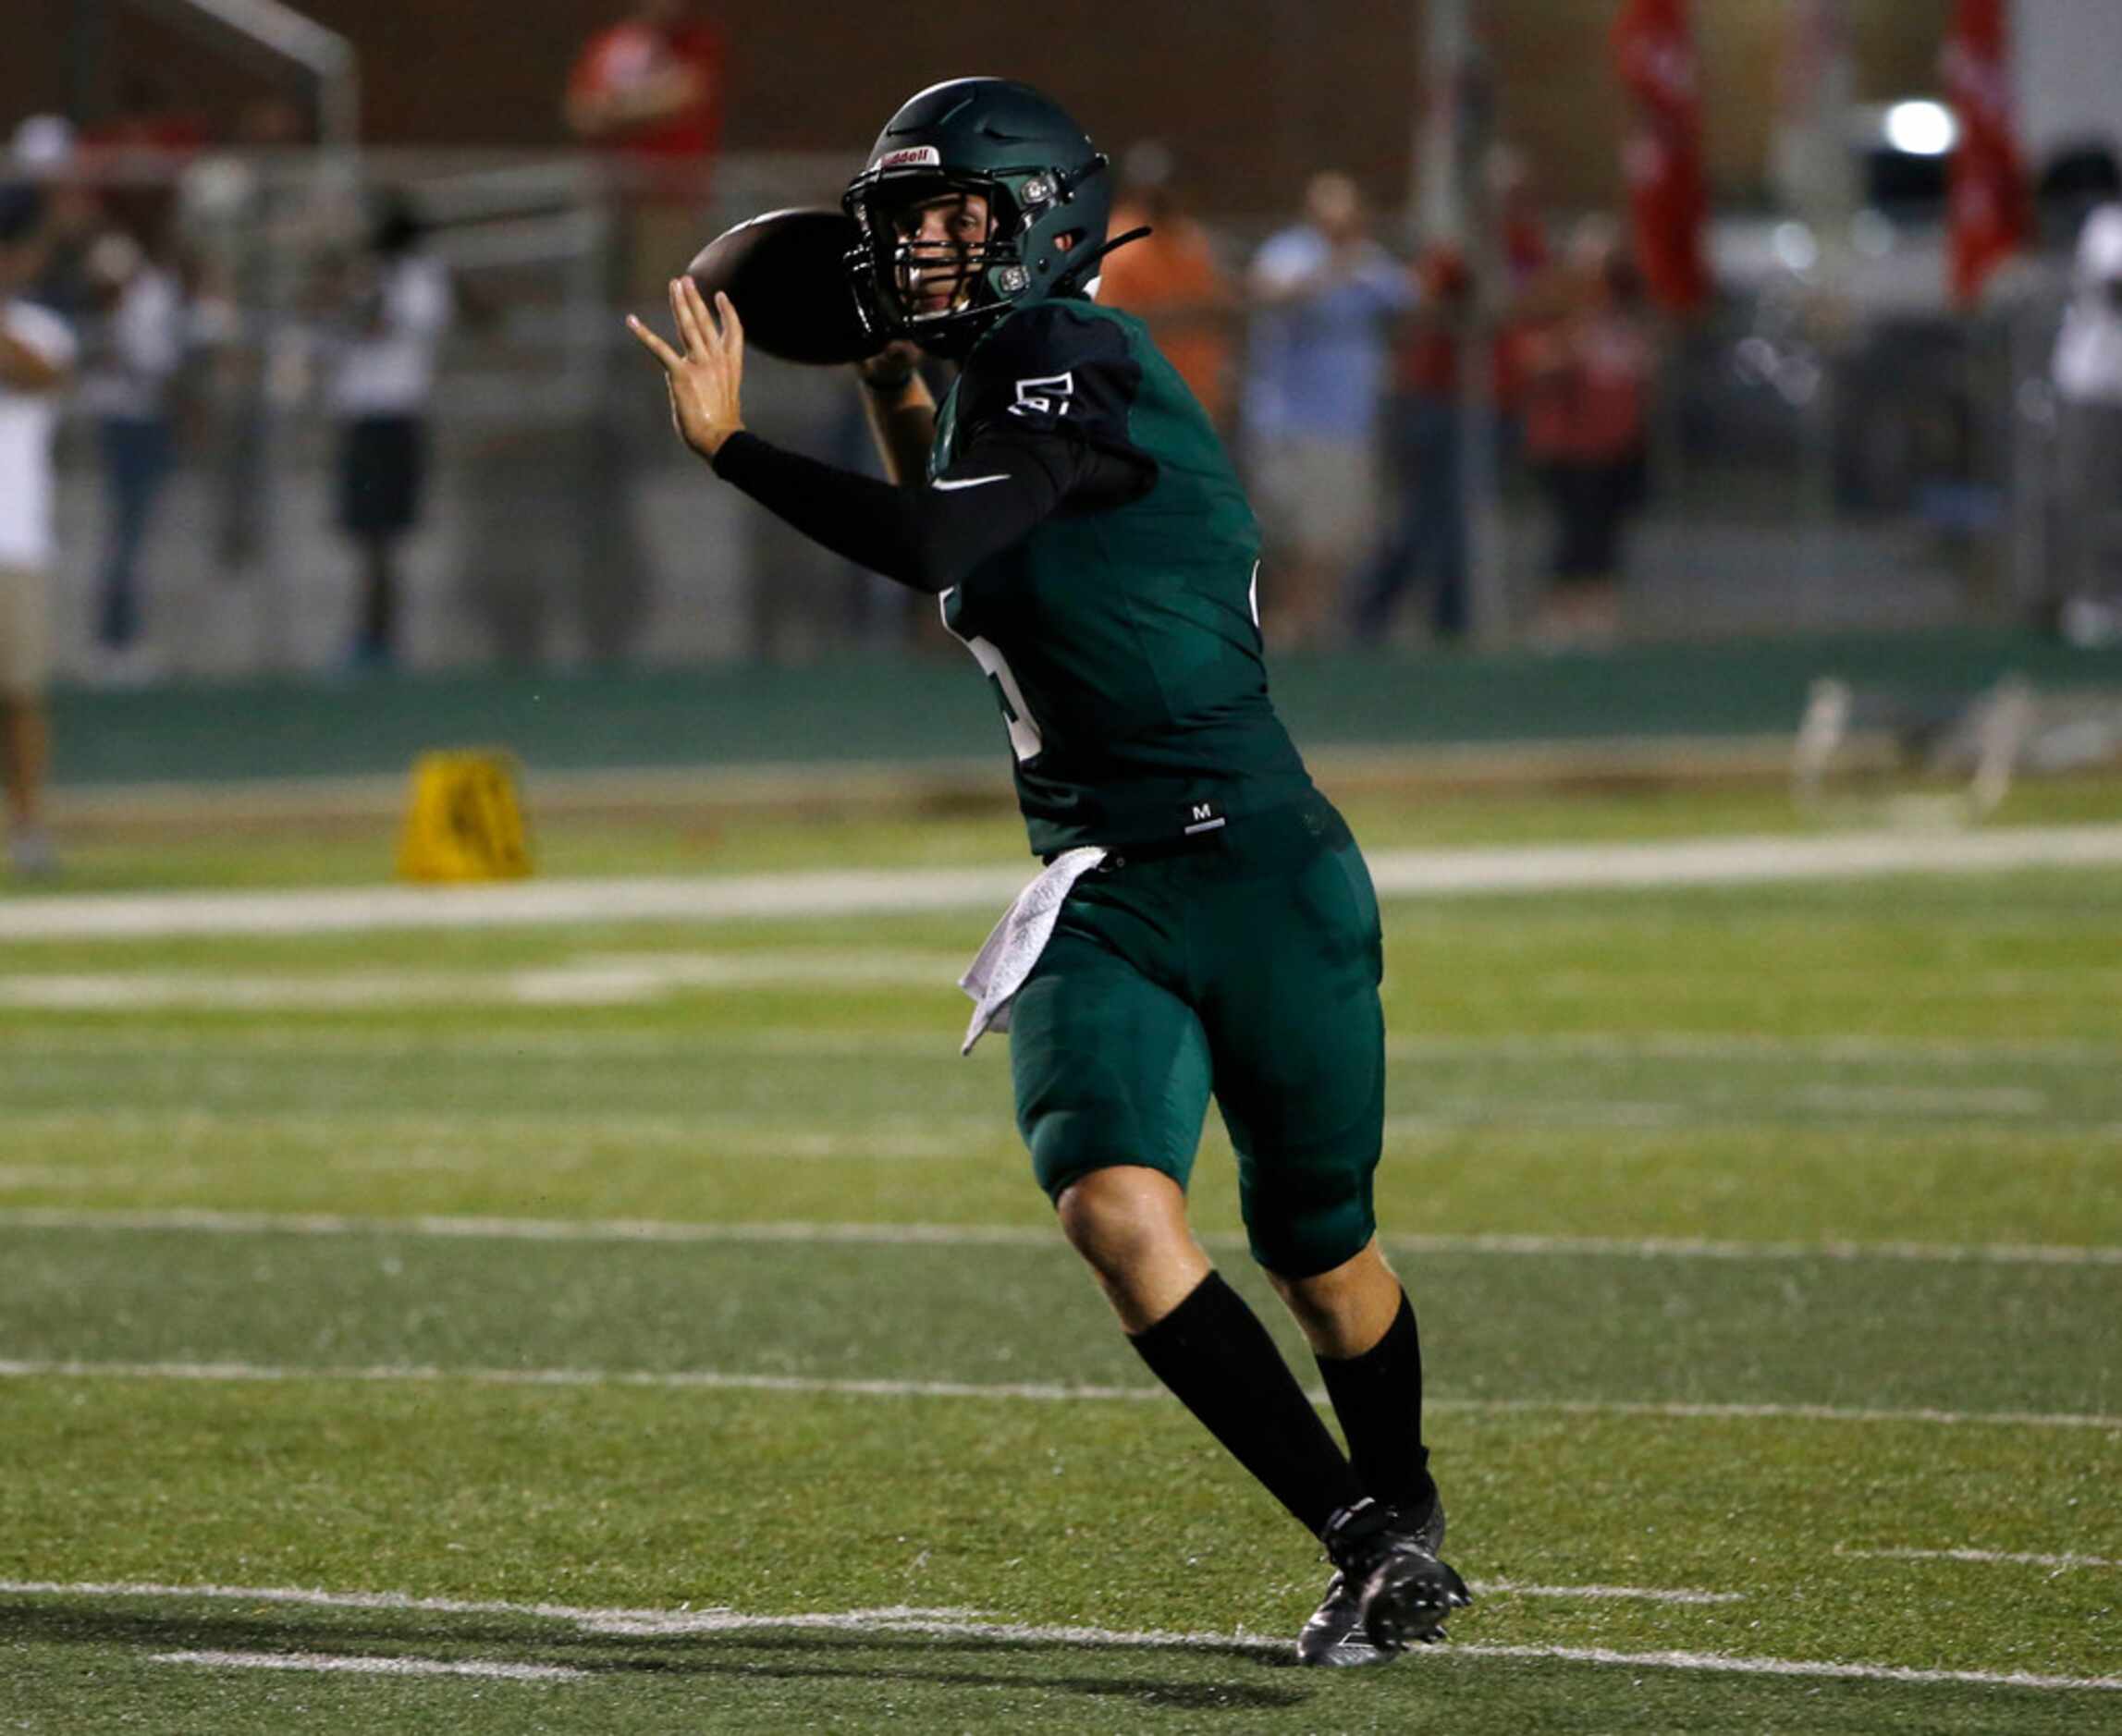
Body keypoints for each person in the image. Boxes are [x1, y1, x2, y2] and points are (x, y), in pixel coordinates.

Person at [628, 77, 1469, 1665]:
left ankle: (1405, 1501)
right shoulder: (991, 383)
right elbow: (967, 517)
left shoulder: (1067, 349)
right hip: (1106, 880)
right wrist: (887, 376)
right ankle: (1359, 1534)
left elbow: (945, 545)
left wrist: (735, 448)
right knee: (1113, 1207)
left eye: (951, 218)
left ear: (1046, 222)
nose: (919, 250)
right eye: (902, 223)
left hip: (1264, 863)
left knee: (1324, 1253)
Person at [1241, 173, 1414, 650]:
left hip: (1346, 422)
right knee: (1285, 530)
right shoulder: (1289, 252)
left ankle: (1312, 624)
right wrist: (1333, 269)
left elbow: (1411, 299)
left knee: (1334, 534)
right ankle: (1285, 622)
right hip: (1286, 418)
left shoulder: (1372, 261)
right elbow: (1266, 292)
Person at [322, 197, 452, 670]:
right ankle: (372, 634)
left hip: (393, 414)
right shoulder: (373, 274)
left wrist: (362, 284)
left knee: (384, 534)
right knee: (366, 535)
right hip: (362, 414)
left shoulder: (419, 278)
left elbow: (378, 323)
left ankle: (380, 638)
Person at [1521, 219, 1653, 650]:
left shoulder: (1626, 318)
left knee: (1606, 531)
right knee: (1574, 530)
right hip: (1569, 444)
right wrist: (1573, 338)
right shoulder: (1555, 312)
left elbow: (1640, 367)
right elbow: (1535, 363)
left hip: (1616, 442)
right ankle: (1561, 613)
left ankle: (1599, 614)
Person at [0, 189, 78, 876]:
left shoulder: (41, 329)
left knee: (20, 692)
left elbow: (37, 375)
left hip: (12, 538)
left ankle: (27, 829)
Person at [78, 227, 186, 680]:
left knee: (134, 533)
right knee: (125, 533)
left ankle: (123, 637)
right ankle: (112, 641)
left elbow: (157, 365)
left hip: (145, 422)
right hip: (122, 425)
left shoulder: (154, 295)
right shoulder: (109, 309)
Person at [1098, 141, 1239, 429]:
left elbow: (1220, 307)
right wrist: (1187, 315)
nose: (1165, 195)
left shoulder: (1190, 237)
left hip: (1196, 397)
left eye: (1171, 185)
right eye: (1155, 188)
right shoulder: (1120, 244)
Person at [2049, 202, 2122, 646]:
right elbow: (2112, 288)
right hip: (2091, 383)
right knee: (2085, 493)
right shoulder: (2106, 224)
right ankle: (2088, 600)